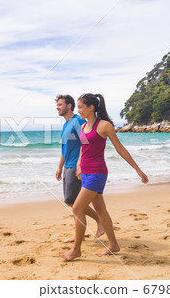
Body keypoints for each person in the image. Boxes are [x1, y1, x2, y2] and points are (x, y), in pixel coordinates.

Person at [62, 93, 148, 261]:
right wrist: (79, 165)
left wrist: (138, 170)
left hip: (97, 173)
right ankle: (114, 244)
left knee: (77, 208)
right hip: (85, 172)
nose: (78, 110)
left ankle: (76, 249)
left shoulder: (104, 126)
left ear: (91, 107)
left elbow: (120, 149)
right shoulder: (85, 125)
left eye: (80, 107)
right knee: (100, 209)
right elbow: (83, 149)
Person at [55, 94, 104, 243]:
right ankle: (80, 233)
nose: (57, 107)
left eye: (60, 105)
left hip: (76, 166)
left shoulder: (78, 121)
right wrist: (59, 167)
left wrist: (80, 165)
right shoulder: (65, 125)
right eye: (57, 105)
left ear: (69, 106)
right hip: (68, 166)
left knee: (71, 201)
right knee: (74, 202)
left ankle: (97, 222)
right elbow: (65, 148)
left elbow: (86, 144)